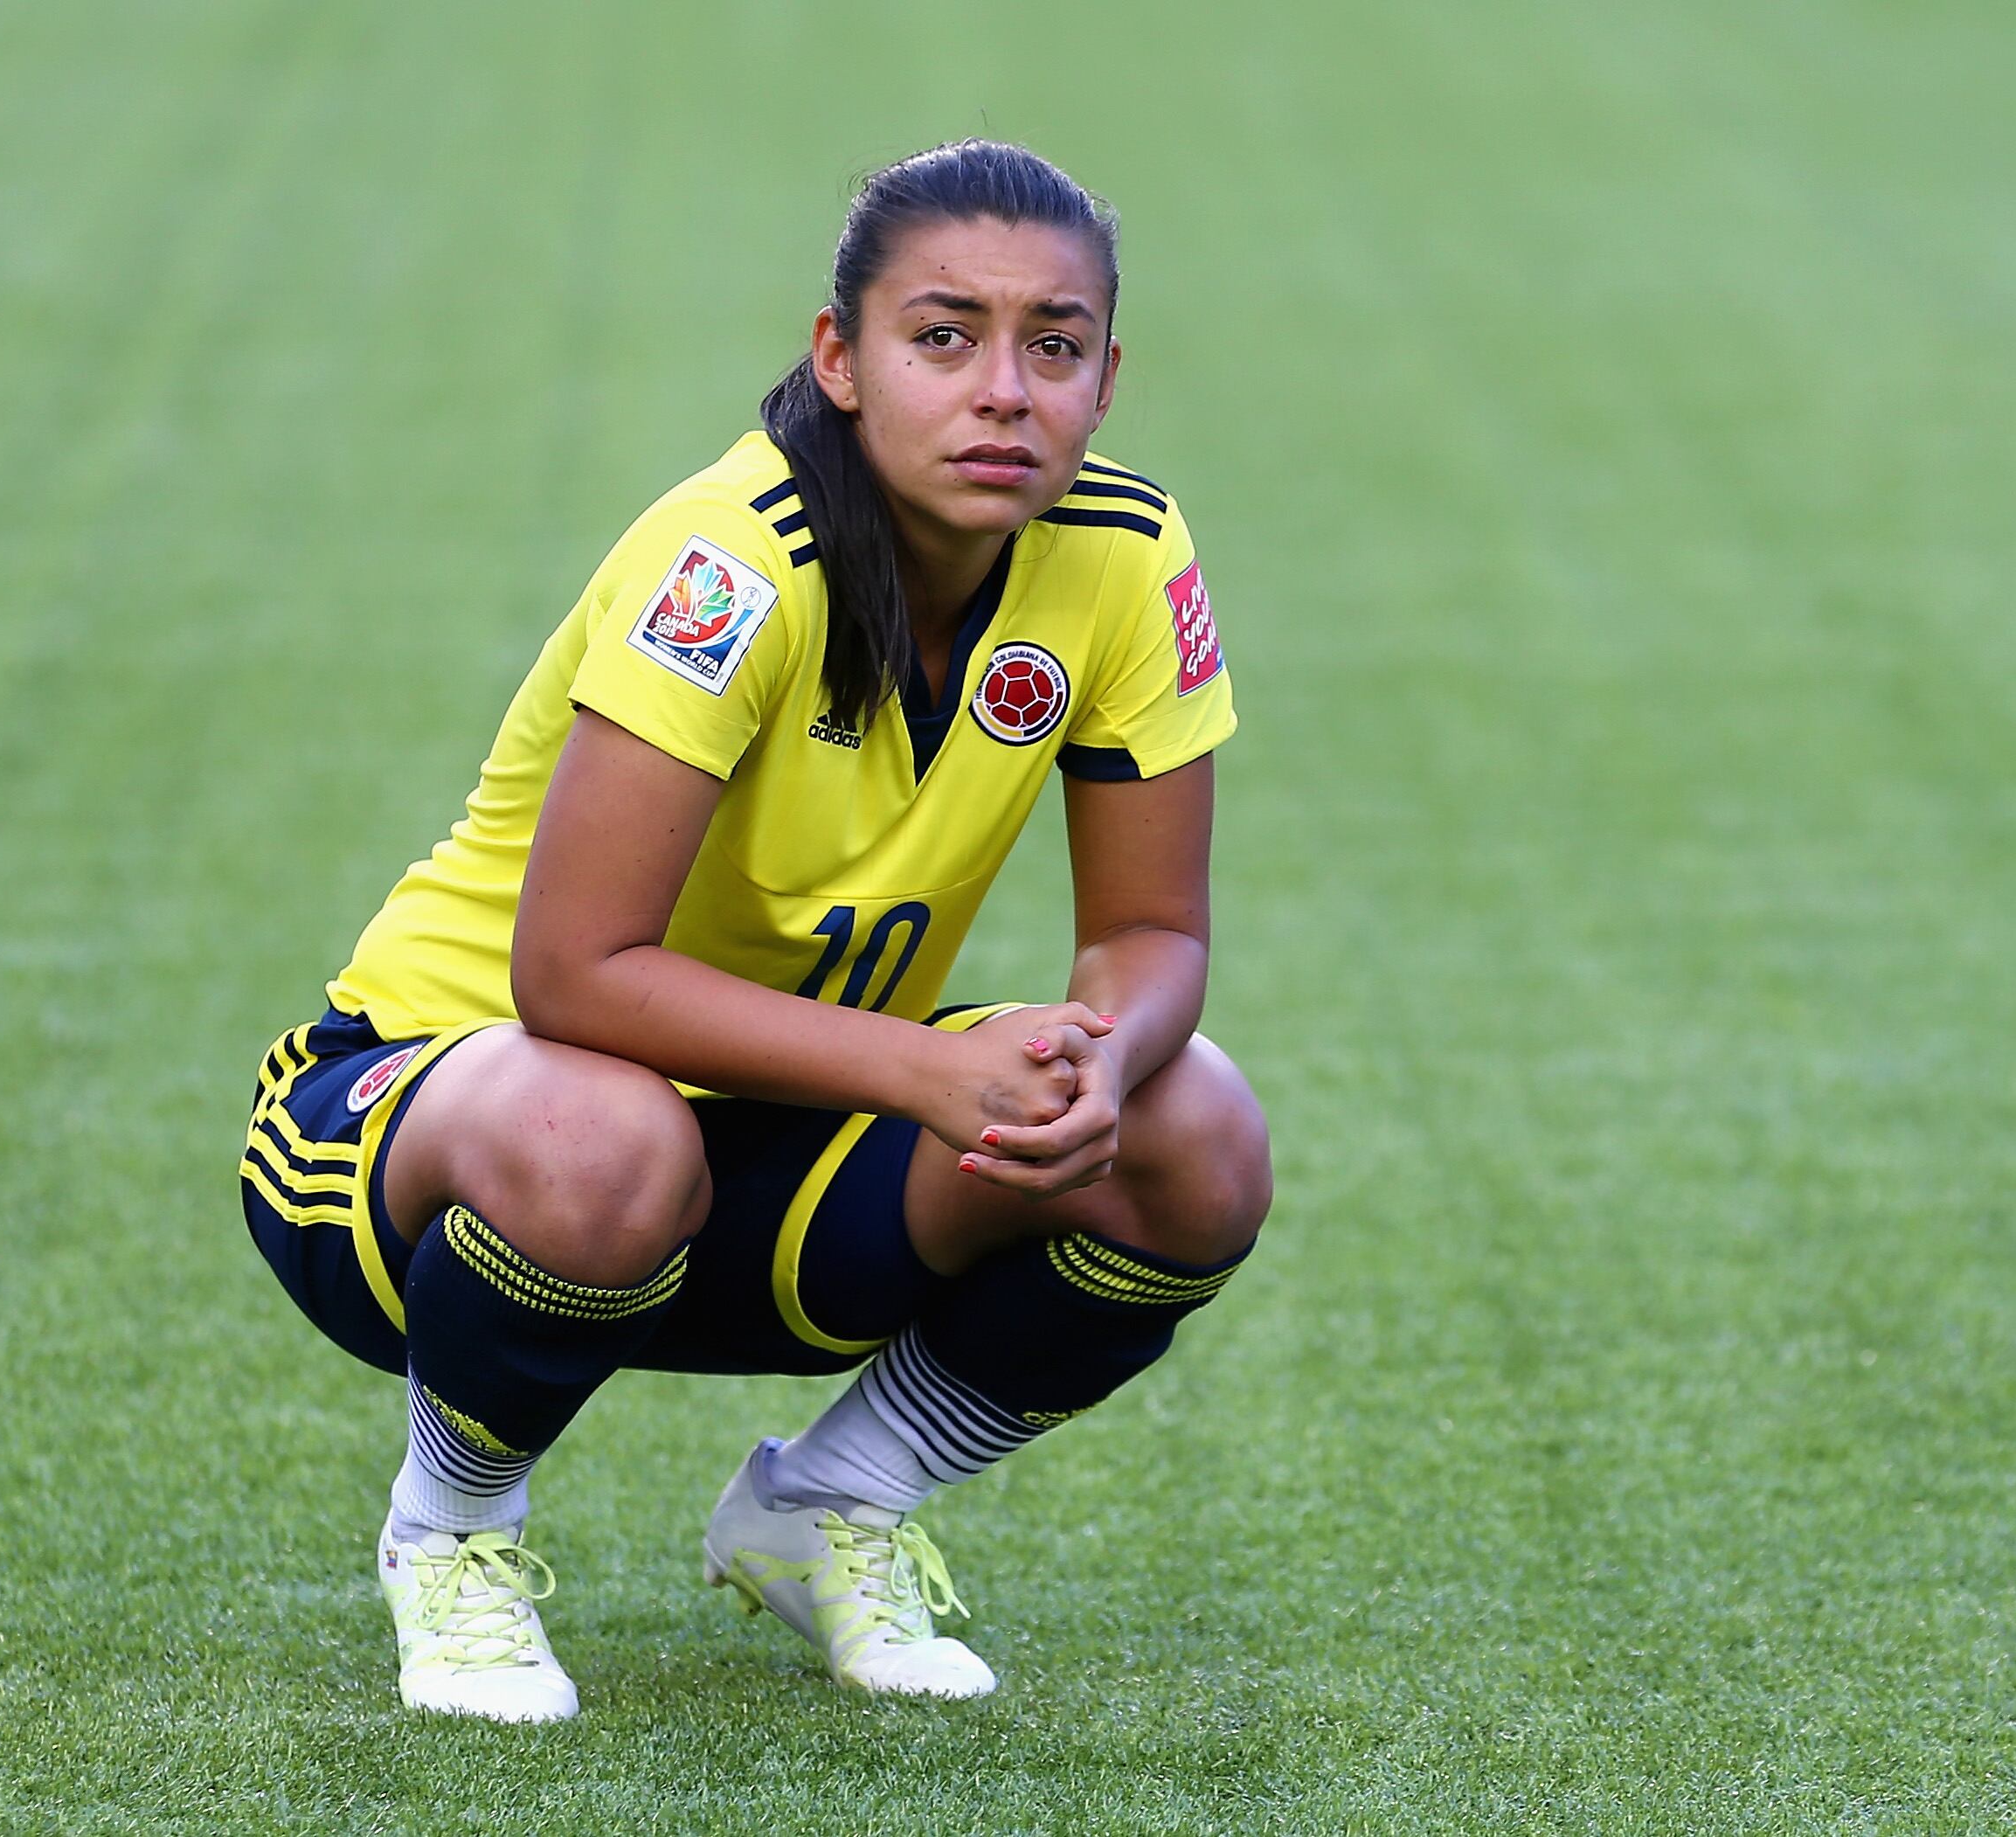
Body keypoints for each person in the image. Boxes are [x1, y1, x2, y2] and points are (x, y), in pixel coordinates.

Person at [238, 141, 1271, 1723]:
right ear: (839, 358)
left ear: (1106, 379)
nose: (1004, 391)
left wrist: (1097, 1063)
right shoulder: (730, 560)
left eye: (1052, 346)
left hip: (776, 1145)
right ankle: (449, 1532)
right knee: (601, 1133)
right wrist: (926, 1074)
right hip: (436, 1129)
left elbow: (1148, 931)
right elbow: (571, 975)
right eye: (944, 337)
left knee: (1193, 1124)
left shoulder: (1124, 555)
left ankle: (828, 1503)